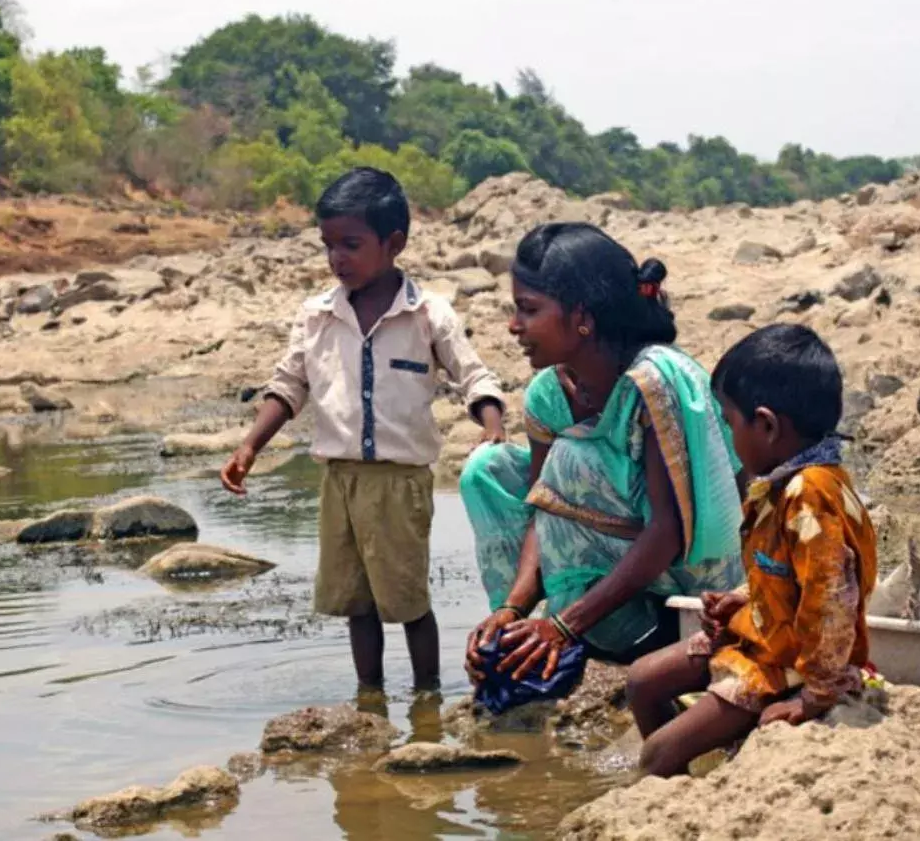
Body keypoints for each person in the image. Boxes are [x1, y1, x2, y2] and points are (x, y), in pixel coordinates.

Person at [221, 167, 506, 692]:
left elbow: (474, 374)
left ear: (393, 242)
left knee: (408, 600)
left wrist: (491, 426)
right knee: (357, 602)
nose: (337, 258)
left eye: (350, 244)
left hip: (400, 483)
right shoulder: (318, 315)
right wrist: (249, 445)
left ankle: (427, 697)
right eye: (328, 245)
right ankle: (369, 696)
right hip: (339, 482)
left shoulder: (427, 314)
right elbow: (288, 385)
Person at [460, 222, 744, 690]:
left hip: (687, 591)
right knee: (484, 472)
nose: (514, 326)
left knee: (572, 458)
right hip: (612, 580)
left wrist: (563, 625)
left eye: (529, 310)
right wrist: (513, 609)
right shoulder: (549, 394)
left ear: (582, 318)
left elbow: (669, 530)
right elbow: (542, 514)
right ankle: (544, 636)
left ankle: (589, 629)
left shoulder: (656, 380)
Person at [624, 324, 879, 777]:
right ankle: (695, 769)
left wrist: (815, 695)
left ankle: (677, 775)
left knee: (656, 755)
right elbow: (787, 573)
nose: (728, 436)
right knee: (642, 681)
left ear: (766, 425)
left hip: (787, 661)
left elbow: (831, 601)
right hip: (762, 633)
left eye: (729, 421)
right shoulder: (784, 483)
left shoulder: (810, 494)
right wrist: (741, 598)